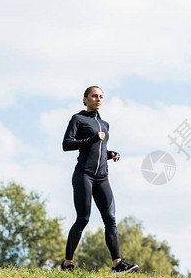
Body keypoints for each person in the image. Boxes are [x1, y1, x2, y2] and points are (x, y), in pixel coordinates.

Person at [60, 86, 139, 274]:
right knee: (83, 218)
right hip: (83, 175)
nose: (98, 99)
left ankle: (117, 265)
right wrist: (92, 139)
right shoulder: (77, 119)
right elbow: (66, 144)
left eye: (101, 97)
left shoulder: (105, 124)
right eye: (94, 96)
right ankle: (66, 264)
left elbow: (100, 150)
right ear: (85, 99)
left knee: (110, 219)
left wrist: (110, 154)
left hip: (102, 177)